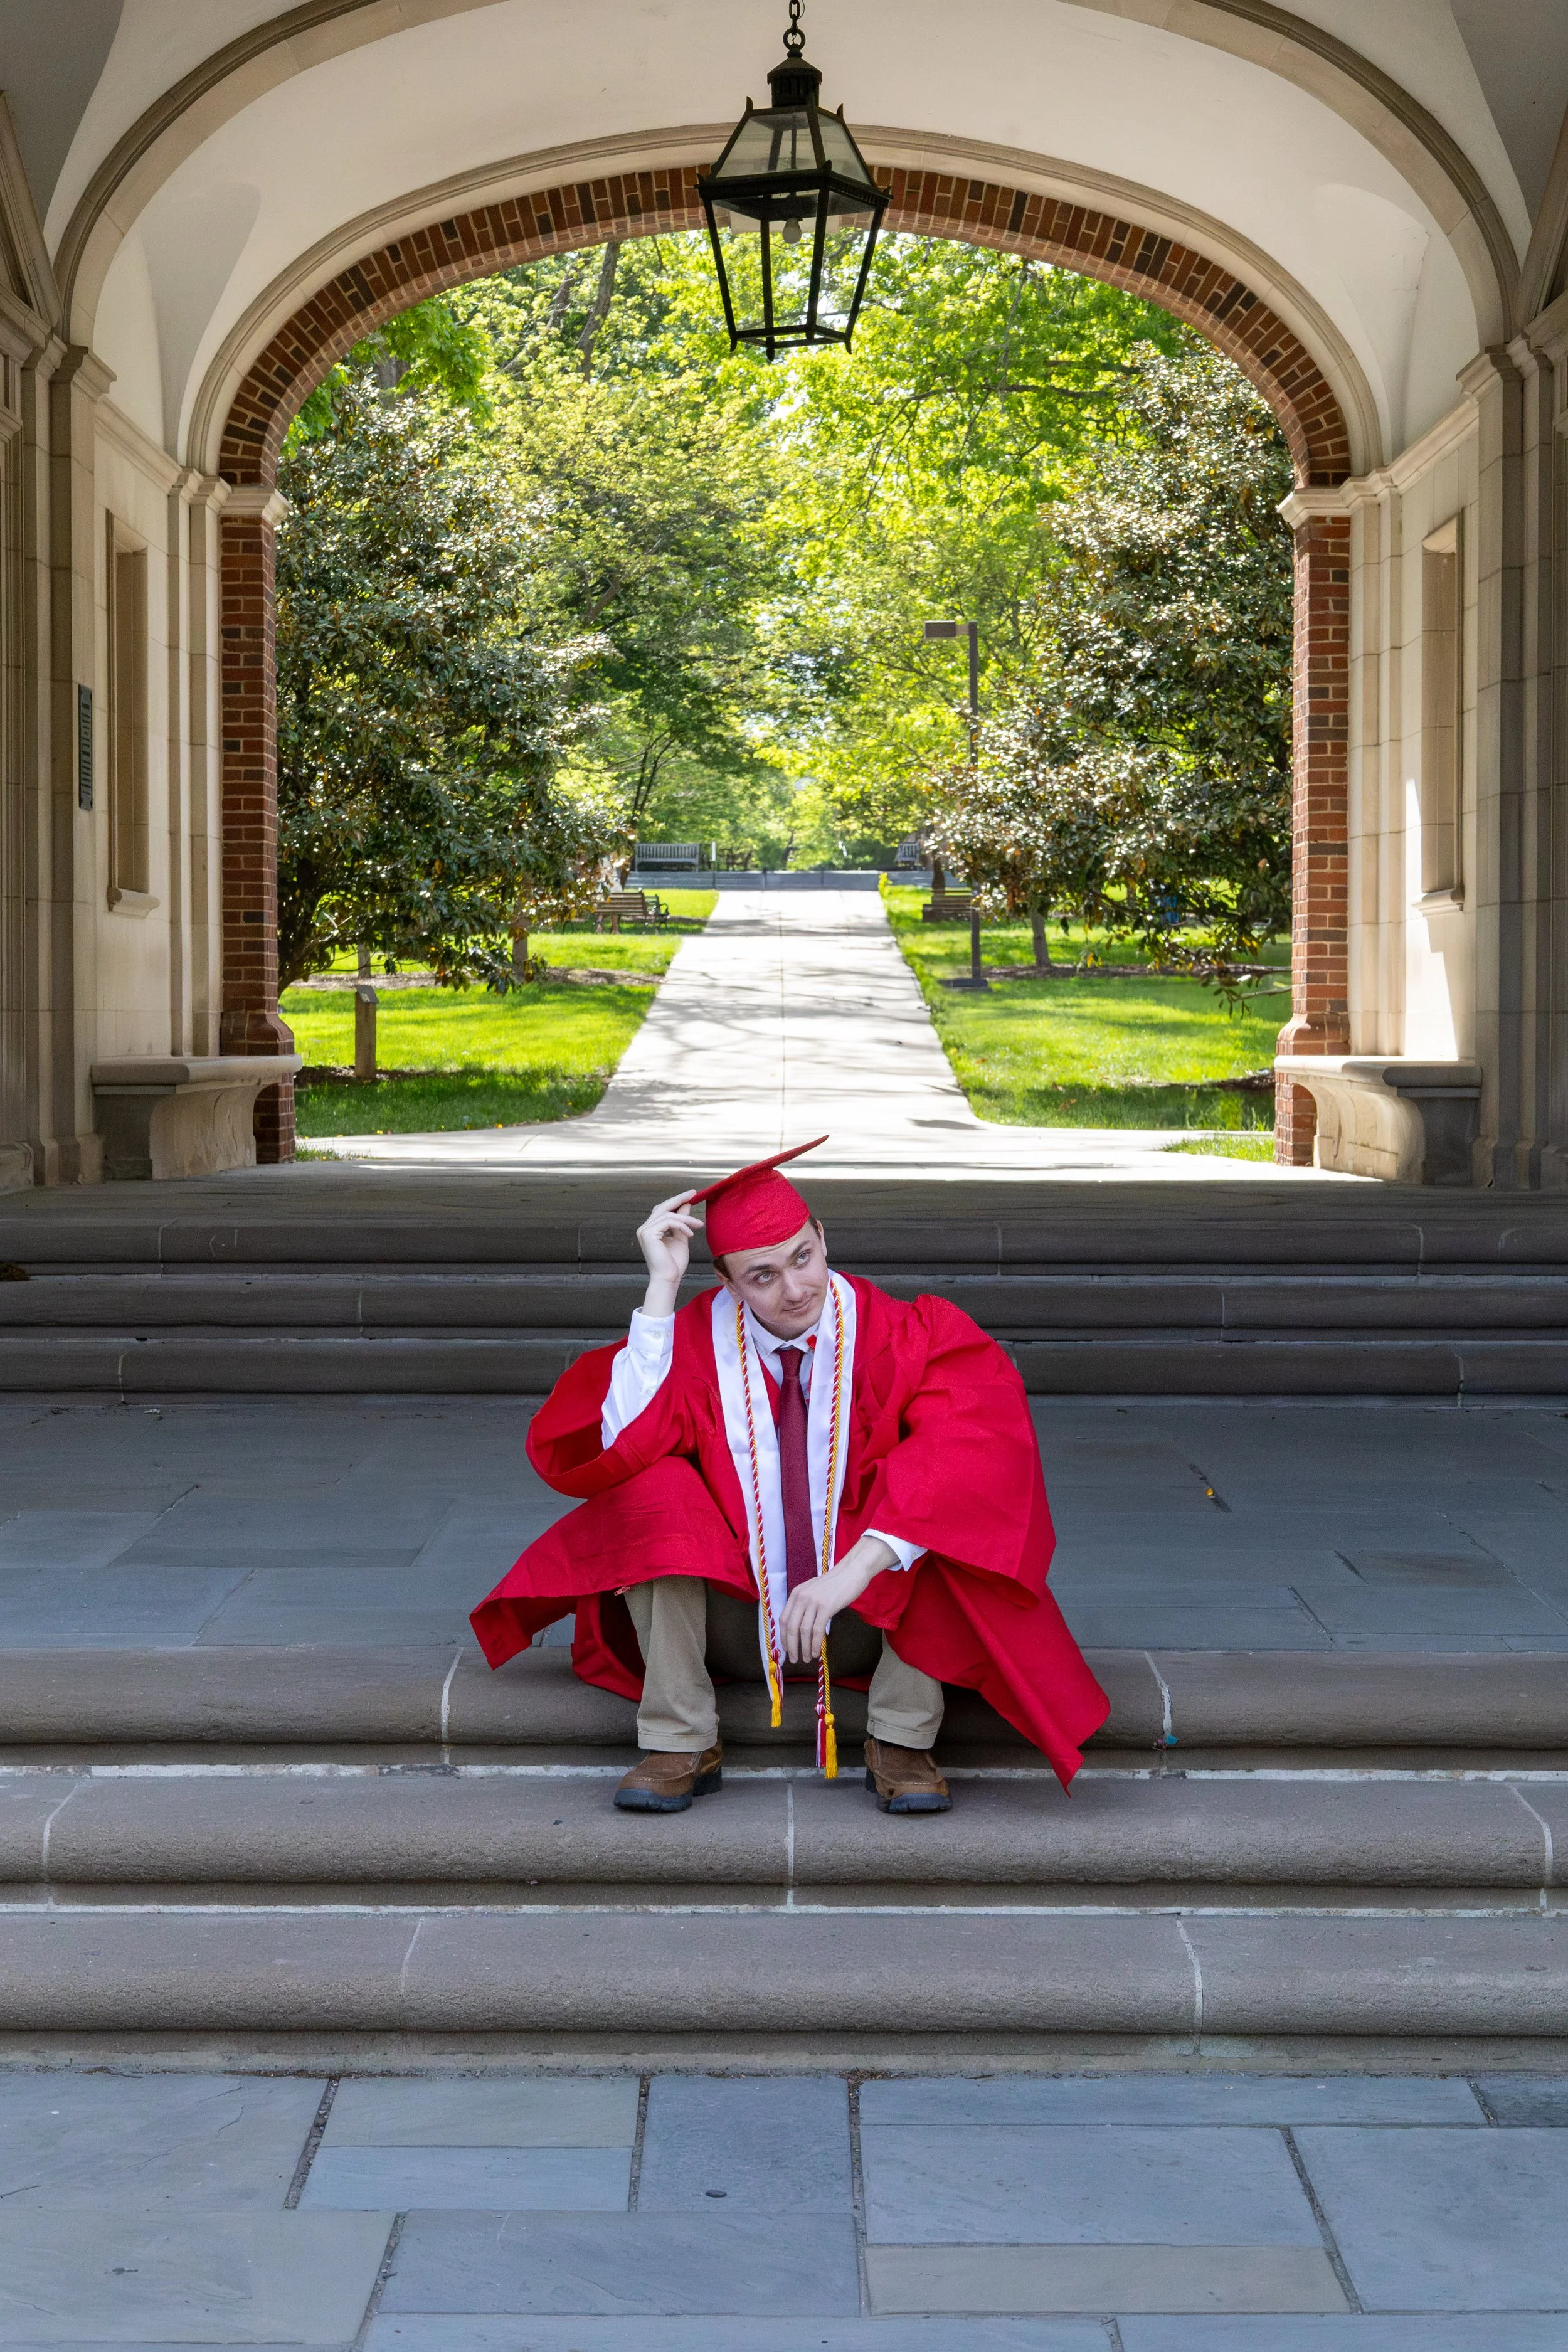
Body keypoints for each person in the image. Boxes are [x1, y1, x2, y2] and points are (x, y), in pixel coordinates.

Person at [471, 1139, 1107, 1814]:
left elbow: (973, 1450)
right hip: (732, 1622)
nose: (795, 1288)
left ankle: (900, 1738)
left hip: (871, 1618)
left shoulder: (903, 1335)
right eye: (762, 1275)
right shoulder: (691, 1342)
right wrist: (660, 1287)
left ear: (823, 1237)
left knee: (937, 1498)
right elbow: (621, 1448)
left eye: (803, 1257)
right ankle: (678, 1739)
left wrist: (855, 1570)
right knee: (649, 1491)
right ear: (726, 1282)